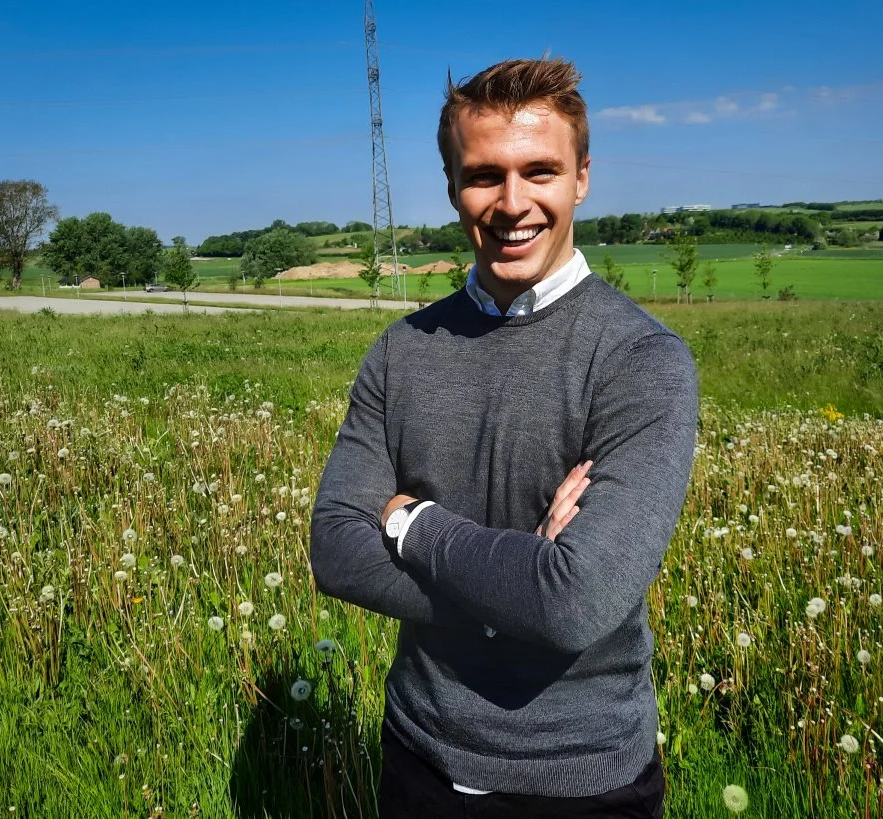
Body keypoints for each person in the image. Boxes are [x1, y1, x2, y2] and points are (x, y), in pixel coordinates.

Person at [311, 57, 698, 817]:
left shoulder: (642, 361)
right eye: (484, 175)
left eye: (541, 171)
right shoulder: (402, 350)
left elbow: (577, 604)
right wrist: (524, 576)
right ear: (453, 185)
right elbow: (333, 549)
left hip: (585, 782)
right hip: (418, 756)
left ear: (582, 177)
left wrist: (407, 520)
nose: (512, 203)